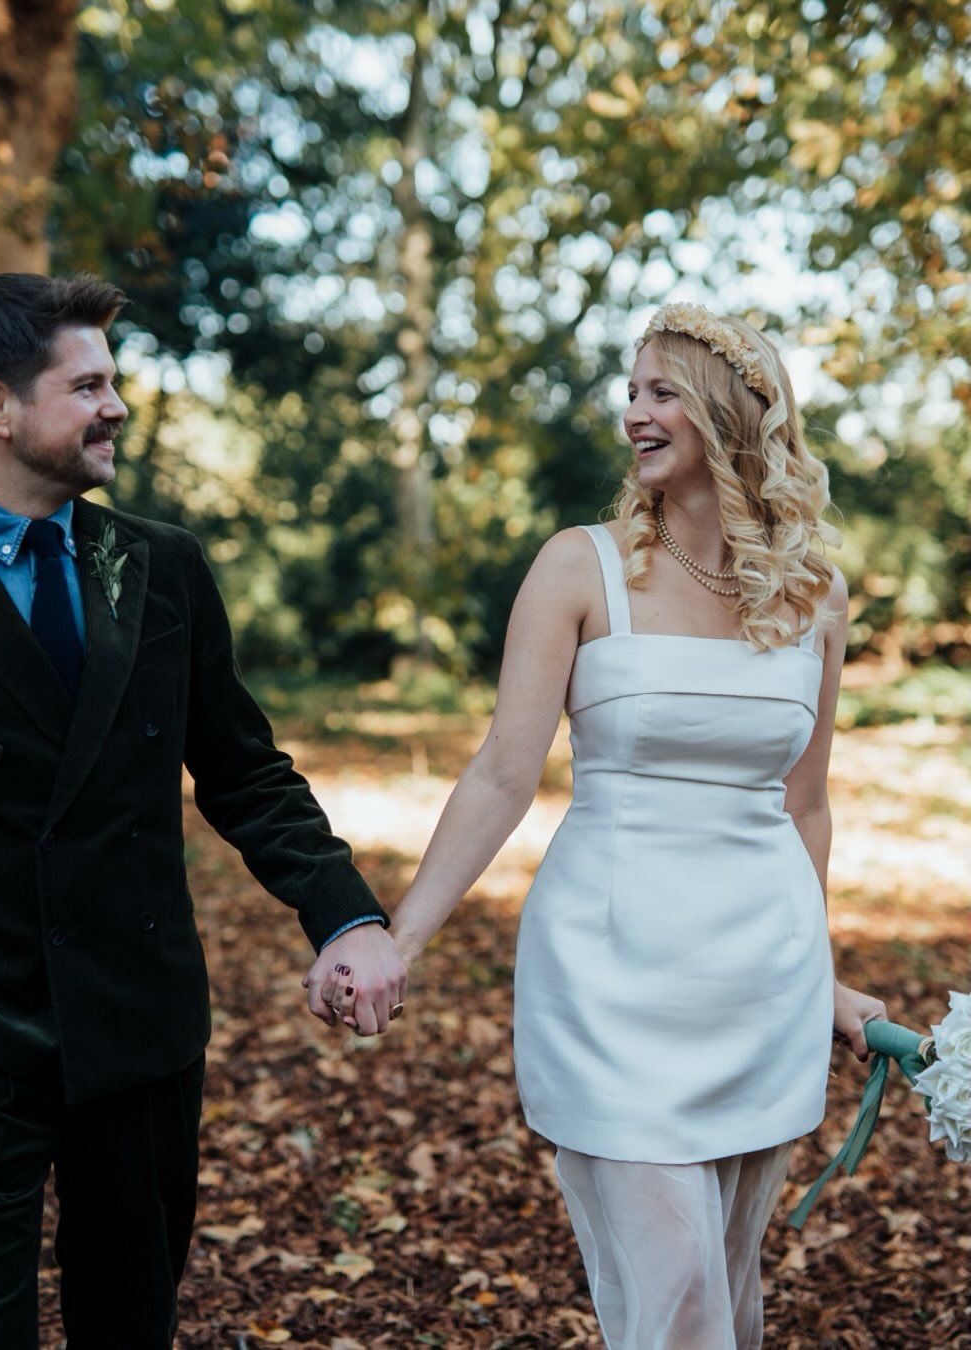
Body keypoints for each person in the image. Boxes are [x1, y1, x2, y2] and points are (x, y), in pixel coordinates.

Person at [332, 302, 886, 1348]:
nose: (633, 412)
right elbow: (503, 774)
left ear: (731, 413)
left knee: (723, 1286)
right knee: (677, 1299)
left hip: (758, 985)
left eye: (661, 391)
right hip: (613, 981)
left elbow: (806, 804)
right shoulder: (579, 568)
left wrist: (821, 980)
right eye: (630, 392)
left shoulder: (814, 593)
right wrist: (400, 937)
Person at [0, 271, 407, 1349]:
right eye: (87, 386)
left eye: (112, 382)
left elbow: (242, 768)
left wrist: (347, 916)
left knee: (131, 1325)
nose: (115, 406)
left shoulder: (161, 567)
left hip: (140, 1022)